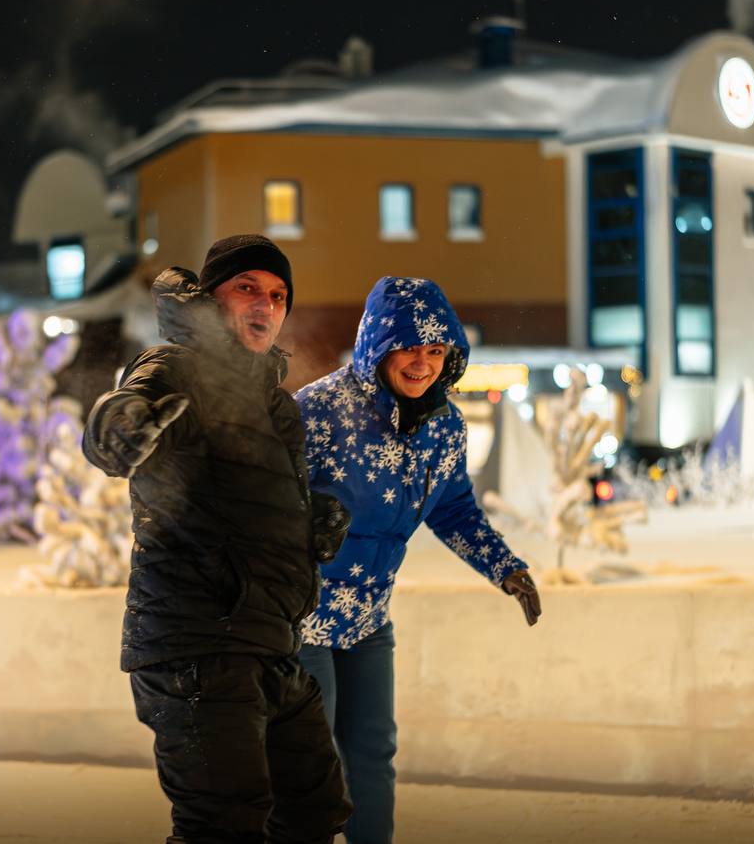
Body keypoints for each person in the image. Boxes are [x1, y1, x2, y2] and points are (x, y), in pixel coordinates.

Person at [83, 234, 353, 844]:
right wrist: (118, 429)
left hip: (269, 644)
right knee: (223, 825)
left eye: (279, 295)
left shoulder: (275, 403)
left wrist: (309, 524)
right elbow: (120, 414)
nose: (265, 304)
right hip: (197, 644)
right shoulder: (175, 365)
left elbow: (237, 498)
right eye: (247, 288)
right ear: (211, 298)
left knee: (315, 811)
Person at [295, 276, 542, 844]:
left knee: (373, 754)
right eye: (409, 347)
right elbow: (263, 502)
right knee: (309, 762)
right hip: (302, 618)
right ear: (377, 346)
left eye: (436, 351)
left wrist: (504, 567)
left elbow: (453, 509)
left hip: (368, 619)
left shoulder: (445, 427)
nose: (422, 363)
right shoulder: (319, 412)